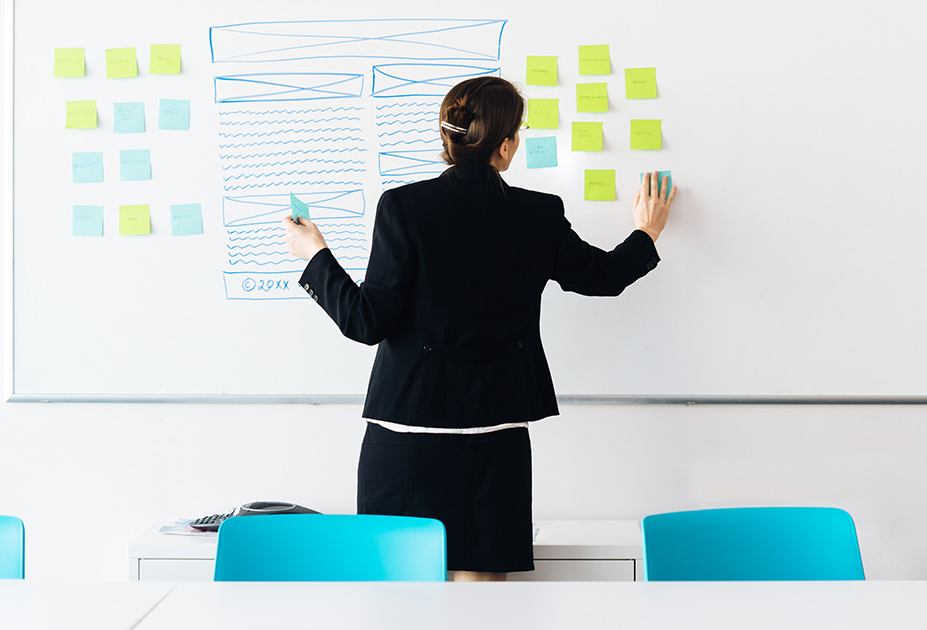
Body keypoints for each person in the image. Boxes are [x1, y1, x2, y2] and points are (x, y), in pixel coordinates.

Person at [283, 76, 676, 581]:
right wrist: (647, 231)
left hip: (407, 430)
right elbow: (602, 277)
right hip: (497, 430)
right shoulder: (538, 213)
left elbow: (367, 321)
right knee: (485, 593)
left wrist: (315, 254)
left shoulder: (404, 206)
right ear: (506, 145)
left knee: (402, 593)